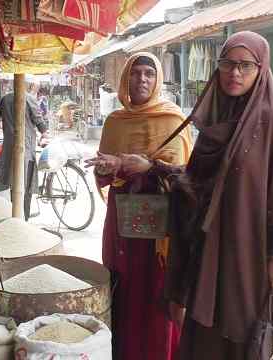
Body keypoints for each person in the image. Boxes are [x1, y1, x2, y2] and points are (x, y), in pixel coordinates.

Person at [119, 32, 273, 359]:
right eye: (227, 64)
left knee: (245, 335)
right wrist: (154, 168)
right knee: (208, 338)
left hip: (250, 255)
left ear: (261, 69)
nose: (234, 73)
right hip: (209, 252)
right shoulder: (217, 120)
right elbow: (195, 184)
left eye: (245, 66)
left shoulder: (272, 122)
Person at [85, 53, 193, 360]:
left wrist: (149, 167)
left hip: (162, 230)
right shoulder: (115, 121)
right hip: (122, 224)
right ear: (125, 78)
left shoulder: (173, 119)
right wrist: (106, 169)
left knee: (157, 291)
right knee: (124, 286)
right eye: (135, 73)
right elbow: (104, 172)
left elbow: (188, 177)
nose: (141, 80)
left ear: (158, 79)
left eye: (148, 74)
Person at [0, 90, 49, 220]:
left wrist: (3, 123)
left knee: (7, 183)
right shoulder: (29, 99)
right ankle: (24, 219)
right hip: (25, 149)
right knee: (25, 185)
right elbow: (40, 122)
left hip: (8, 150)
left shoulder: (5, 99)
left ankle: (10, 217)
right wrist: (45, 134)